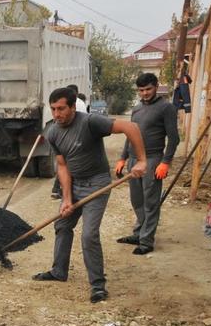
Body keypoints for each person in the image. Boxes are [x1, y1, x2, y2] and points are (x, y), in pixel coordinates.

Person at [33, 87, 147, 303]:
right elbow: (62, 166)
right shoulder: (53, 133)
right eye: (53, 109)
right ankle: (59, 271)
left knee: (89, 235)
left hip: (97, 184)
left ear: (73, 106)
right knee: (62, 225)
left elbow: (130, 127)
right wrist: (66, 199)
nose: (57, 114)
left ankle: (98, 286)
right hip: (74, 184)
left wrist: (141, 160)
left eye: (61, 109)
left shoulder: (90, 122)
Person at [115, 73, 180, 255]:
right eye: (141, 90)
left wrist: (165, 162)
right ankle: (138, 233)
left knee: (151, 202)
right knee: (137, 200)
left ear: (156, 86)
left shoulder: (166, 108)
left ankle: (146, 241)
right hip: (134, 160)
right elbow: (130, 135)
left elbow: (174, 139)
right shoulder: (136, 109)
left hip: (153, 160)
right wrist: (123, 158)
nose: (144, 93)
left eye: (148, 89)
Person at [51, 84, 89, 199]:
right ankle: (62, 190)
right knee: (64, 164)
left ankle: (58, 190)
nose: (57, 112)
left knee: (64, 163)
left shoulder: (77, 104)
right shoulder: (80, 103)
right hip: (74, 138)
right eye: (53, 109)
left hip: (72, 138)